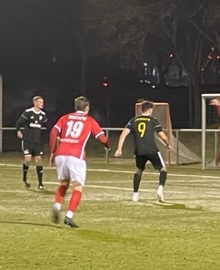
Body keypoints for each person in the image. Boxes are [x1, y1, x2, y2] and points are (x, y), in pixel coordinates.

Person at [49, 96, 110, 228]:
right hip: (76, 156)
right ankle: (69, 216)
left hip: (61, 154)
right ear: (86, 108)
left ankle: (57, 206)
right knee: (78, 186)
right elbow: (102, 138)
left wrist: (53, 152)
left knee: (64, 183)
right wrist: (107, 145)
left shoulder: (64, 118)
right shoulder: (90, 120)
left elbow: (54, 132)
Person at [114, 101, 170, 202]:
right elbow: (163, 136)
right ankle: (160, 189)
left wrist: (119, 148)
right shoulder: (153, 120)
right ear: (150, 110)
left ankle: (135, 194)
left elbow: (123, 134)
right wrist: (167, 144)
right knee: (163, 169)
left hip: (139, 151)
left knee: (138, 171)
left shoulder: (133, 121)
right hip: (152, 150)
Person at [15, 96, 48, 190]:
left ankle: (40, 184)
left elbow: (48, 126)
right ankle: (25, 178)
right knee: (28, 159)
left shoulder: (43, 115)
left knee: (38, 160)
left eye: (42, 102)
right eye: (40, 102)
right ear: (35, 103)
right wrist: (18, 131)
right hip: (28, 141)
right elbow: (18, 123)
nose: (42, 104)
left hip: (37, 142)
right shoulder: (28, 112)